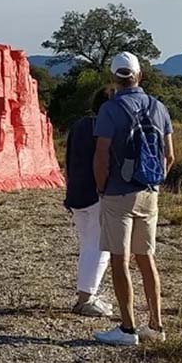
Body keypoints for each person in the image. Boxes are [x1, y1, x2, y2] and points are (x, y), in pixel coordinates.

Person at [92, 52, 175, 347]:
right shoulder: (158, 107)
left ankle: (127, 329)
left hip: (118, 193)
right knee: (146, 259)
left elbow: (101, 156)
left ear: (115, 77)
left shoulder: (110, 110)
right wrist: (153, 182)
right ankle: (156, 325)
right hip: (149, 193)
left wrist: (102, 189)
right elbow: (170, 156)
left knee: (120, 259)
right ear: (139, 75)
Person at [65, 86, 113, 317]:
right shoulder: (103, 129)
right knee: (100, 246)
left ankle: (87, 294)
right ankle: (85, 299)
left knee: (87, 245)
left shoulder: (80, 125)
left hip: (76, 193)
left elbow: (67, 158)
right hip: (96, 194)